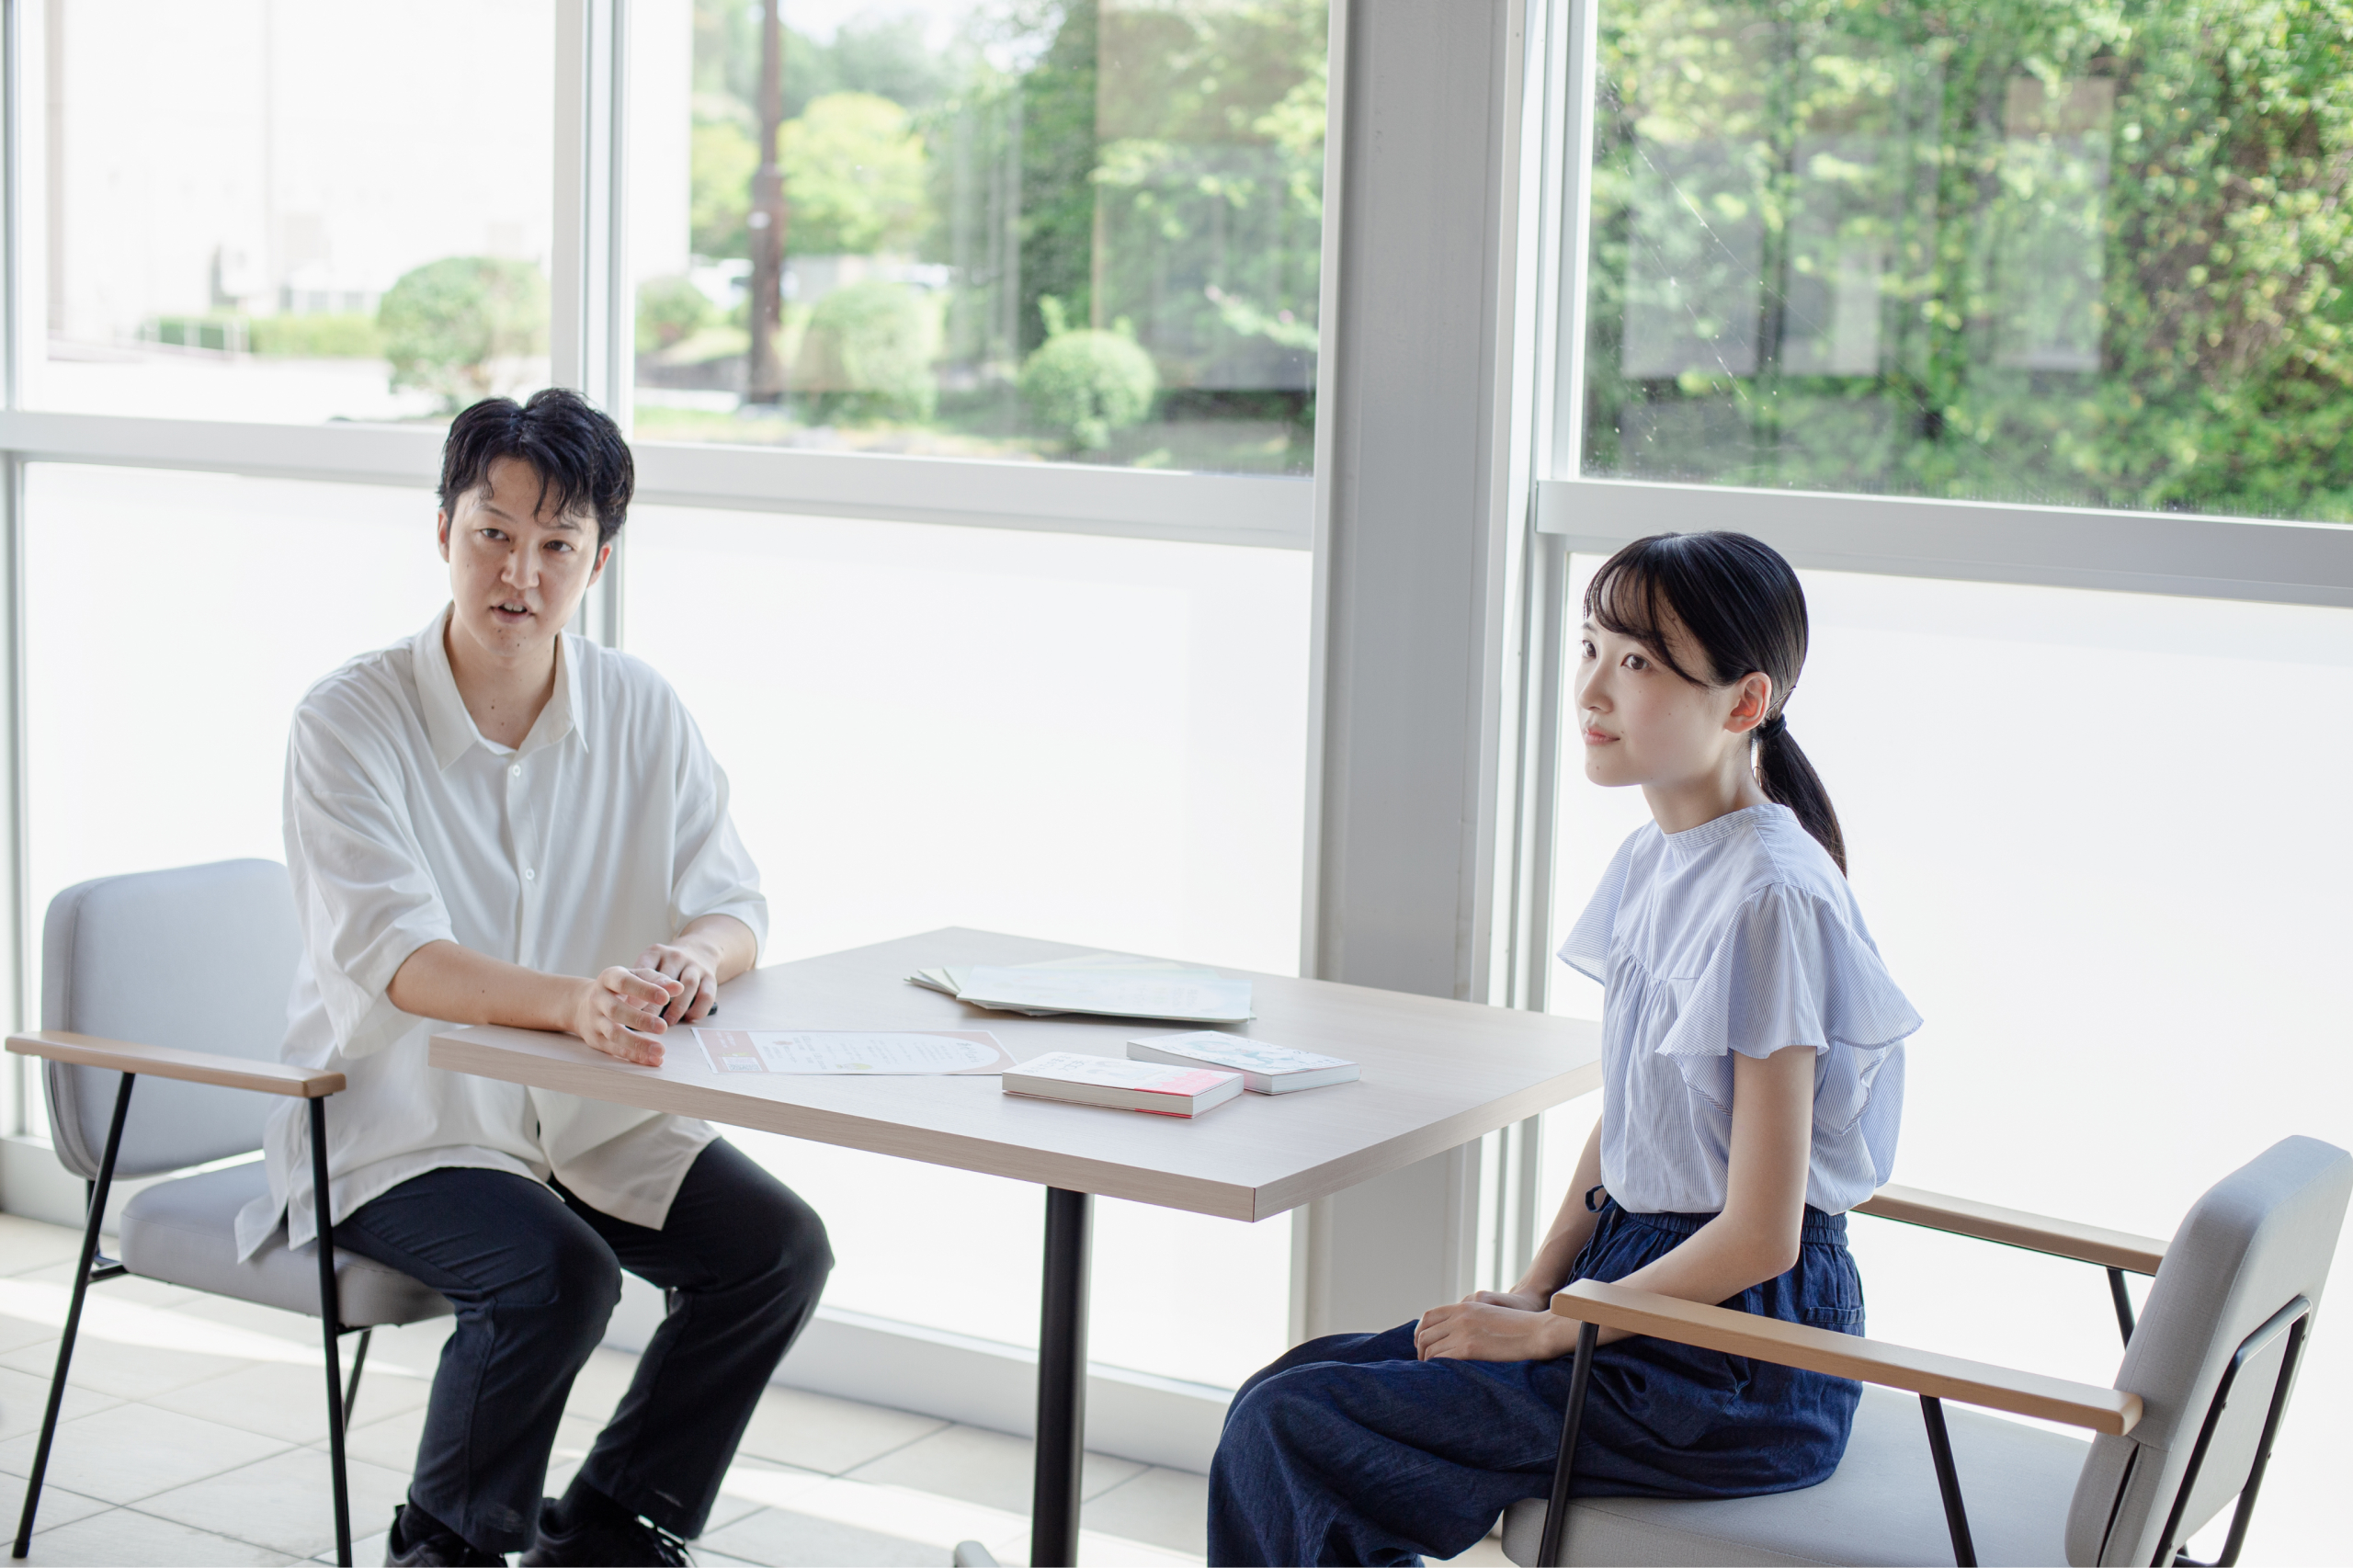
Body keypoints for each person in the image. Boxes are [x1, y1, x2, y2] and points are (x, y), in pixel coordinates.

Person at [1207, 531, 1923, 1565]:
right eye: (1589, 647)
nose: (1591, 689)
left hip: (1740, 1356)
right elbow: (1637, 1119)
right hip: (1636, 1288)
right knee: (1284, 1388)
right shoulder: (1653, 859)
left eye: (1636, 663)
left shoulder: (1772, 897)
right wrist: (1538, 1284)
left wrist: (1559, 1327)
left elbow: (1762, 1233)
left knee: (1295, 1429)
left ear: (1743, 703)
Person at [233, 389, 833, 1567]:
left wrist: (692, 956)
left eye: (557, 544)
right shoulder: (348, 719)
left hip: (590, 1116)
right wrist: (574, 1003)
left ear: (598, 560)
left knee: (776, 1250)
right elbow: (401, 958)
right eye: (493, 533)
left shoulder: (639, 705)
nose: (519, 572)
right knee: (558, 1273)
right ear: (442, 532)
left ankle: (611, 1525)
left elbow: (734, 904)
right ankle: (443, 1544)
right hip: (404, 1124)